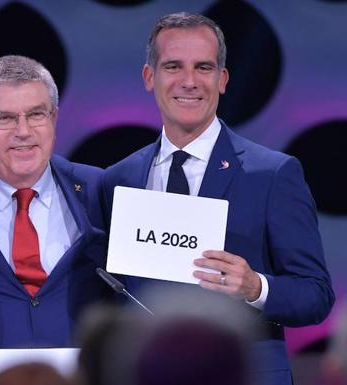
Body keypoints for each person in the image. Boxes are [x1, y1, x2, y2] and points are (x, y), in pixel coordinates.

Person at [101, 12, 334, 385]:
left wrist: (255, 286)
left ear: (222, 80)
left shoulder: (272, 174)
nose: (189, 81)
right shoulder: (119, 180)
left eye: (204, 67)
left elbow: (316, 295)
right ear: (150, 77)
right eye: (174, 66)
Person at [0, 55, 108, 348]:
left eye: (36, 114)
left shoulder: (100, 189)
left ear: (53, 119)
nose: (23, 131)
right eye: (4, 118)